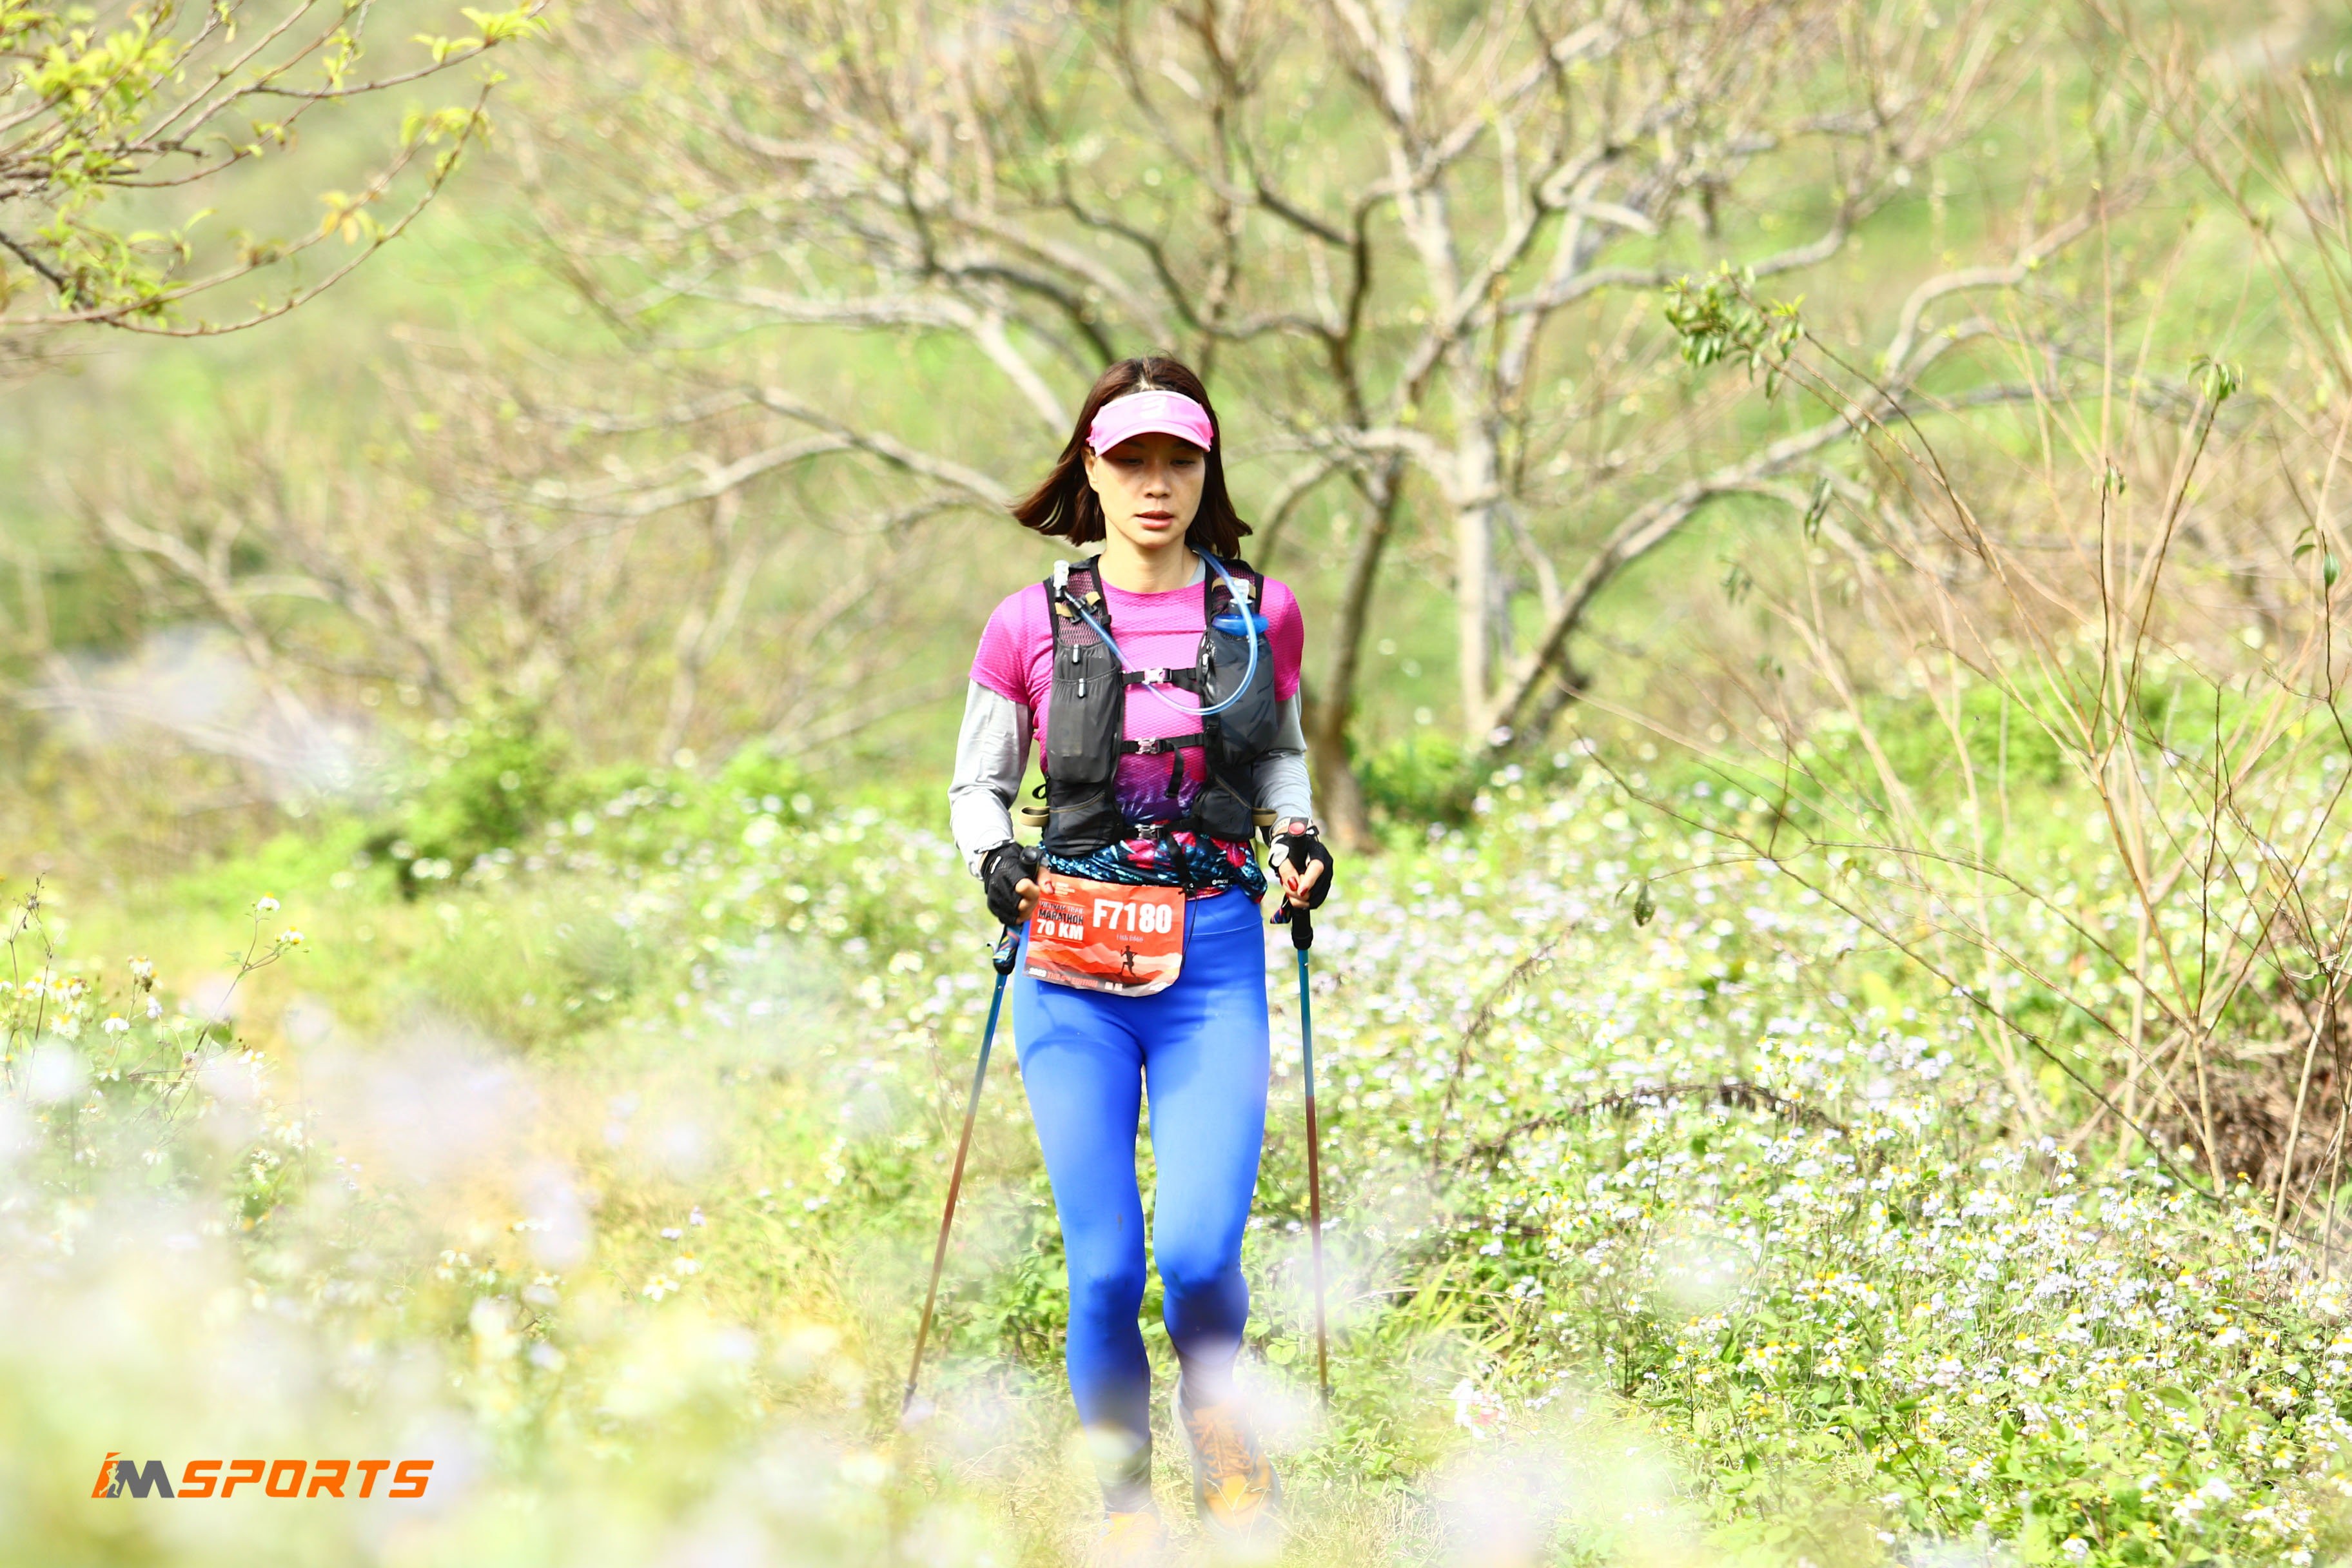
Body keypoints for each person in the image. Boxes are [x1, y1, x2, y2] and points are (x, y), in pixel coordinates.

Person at [948, 355, 1335, 1558]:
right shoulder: (1028, 622)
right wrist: (995, 860)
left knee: (1201, 1259)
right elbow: (977, 785)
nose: (1156, 485)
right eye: (1132, 463)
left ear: (1206, 471)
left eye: (1179, 461)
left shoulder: (1260, 612)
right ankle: (1126, 1510)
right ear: (1094, 471)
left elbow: (1278, 757)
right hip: (1073, 964)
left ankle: (1225, 1442)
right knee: (1109, 1270)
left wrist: (1298, 835)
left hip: (1213, 961)